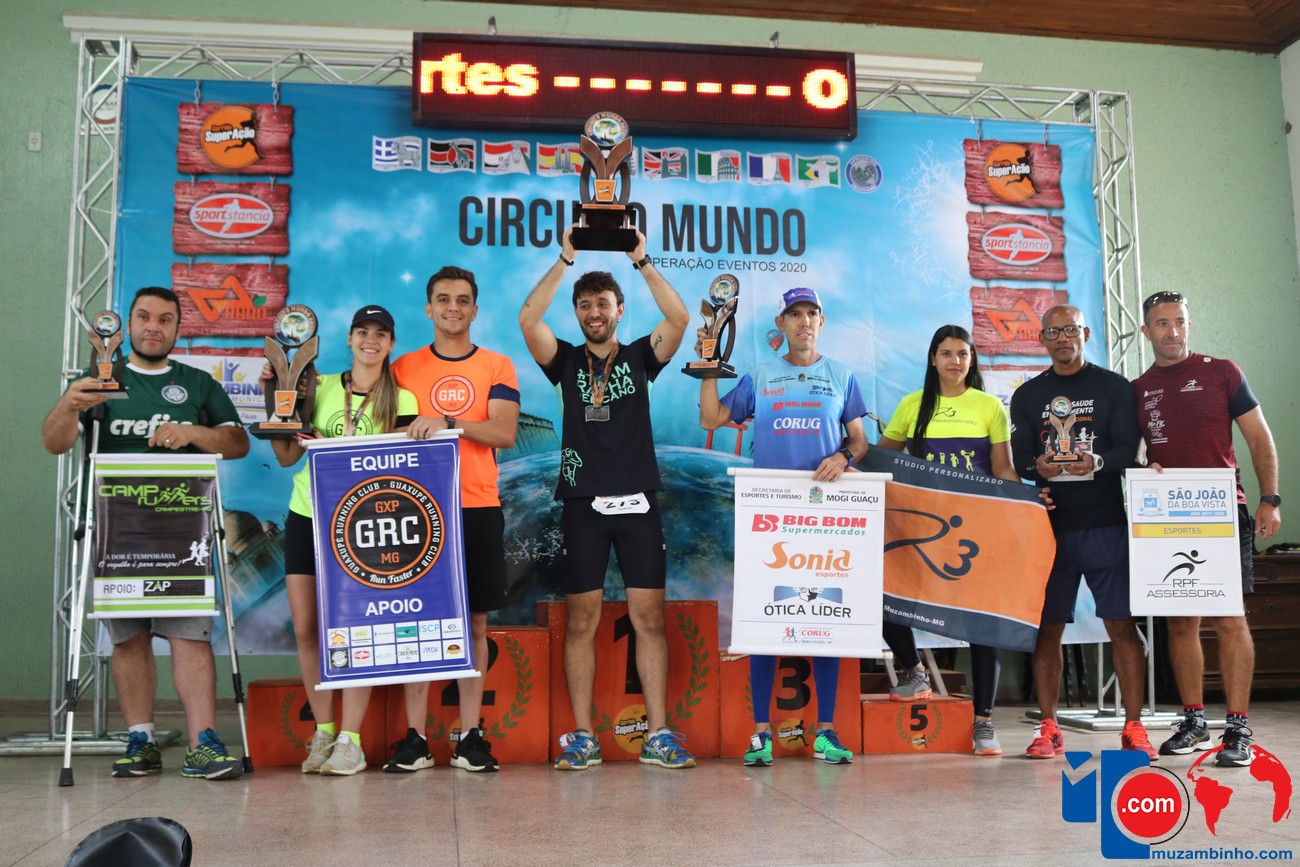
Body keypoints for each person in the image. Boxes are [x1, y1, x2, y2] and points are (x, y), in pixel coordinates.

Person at [42, 286, 250, 780]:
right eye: (143, 317)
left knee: (189, 636)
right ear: (128, 325)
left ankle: (203, 744)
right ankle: (142, 740)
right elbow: (54, 443)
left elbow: (237, 441)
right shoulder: (99, 379)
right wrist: (69, 404)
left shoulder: (196, 383)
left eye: (165, 319)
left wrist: (193, 432)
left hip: (183, 527)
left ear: (178, 328)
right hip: (117, 529)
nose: (153, 326)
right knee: (129, 638)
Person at [518, 228, 696, 770]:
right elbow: (528, 319)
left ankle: (658, 734)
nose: (594, 312)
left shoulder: (642, 357)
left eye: (603, 303)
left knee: (649, 620)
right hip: (583, 504)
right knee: (581, 623)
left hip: (639, 501)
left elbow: (679, 318)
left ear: (620, 310)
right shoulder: (565, 361)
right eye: (585, 304)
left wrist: (641, 259)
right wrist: (565, 258)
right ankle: (583, 736)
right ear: (576, 312)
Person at [699, 287, 869, 767]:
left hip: (825, 517)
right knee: (765, 620)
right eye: (795, 314)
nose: (804, 321)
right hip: (768, 517)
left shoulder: (841, 376)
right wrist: (708, 368)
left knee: (826, 618)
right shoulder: (762, 375)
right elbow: (712, 417)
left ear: (822, 322)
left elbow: (860, 441)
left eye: (812, 313)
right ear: (782, 323)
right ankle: (760, 735)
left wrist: (843, 456)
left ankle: (826, 732)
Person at [266, 305, 418, 776]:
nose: (371, 340)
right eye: (362, 332)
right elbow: (286, 455)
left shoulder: (403, 397)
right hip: (307, 513)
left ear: (391, 344)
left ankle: (352, 741)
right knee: (306, 628)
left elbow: (403, 466)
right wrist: (276, 401)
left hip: (363, 524)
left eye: (380, 333)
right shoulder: (318, 385)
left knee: (357, 633)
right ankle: (325, 732)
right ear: (349, 339)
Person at [1134, 290, 1282, 767]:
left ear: (1189, 325)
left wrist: (1270, 498)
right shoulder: (1138, 389)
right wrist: (1142, 465)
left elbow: (1258, 436)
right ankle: (1194, 721)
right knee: (1181, 622)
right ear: (1146, 331)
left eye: (1179, 321)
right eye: (1162, 323)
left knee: (1229, 618)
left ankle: (1237, 728)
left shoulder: (1223, 372)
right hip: (1167, 518)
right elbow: (1132, 452)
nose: (1172, 331)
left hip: (1223, 513)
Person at [390, 266, 520, 773]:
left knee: (476, 622)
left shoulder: (497, 365)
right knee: (415, 624)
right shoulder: (402, 368)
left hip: (477, 505)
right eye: (443, 299)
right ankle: (415, 739)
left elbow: (504, 432)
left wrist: (447, 423)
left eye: (463, 300)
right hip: (417, 510)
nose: (453, 307)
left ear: (475, 309)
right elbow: (383, 430)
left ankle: (470, 736)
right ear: (428, 308)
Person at [1009, 305, 1152, 760]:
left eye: (1070, 329)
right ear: (1042, 339)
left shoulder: (1113, 386)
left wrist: (1099, 461)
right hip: (1050, 529)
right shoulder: (1028, 394)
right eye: (1053, 332)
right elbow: (1020, 458)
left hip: (1105, 524)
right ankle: (1048, 727)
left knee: (1121, 626)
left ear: (1085, 333)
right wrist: (1037, 467)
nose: (1062, 338)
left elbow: (1130, 449)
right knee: (1047, 629)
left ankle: (1134, 727)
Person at [876, 324, 1020, 756]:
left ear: (971, 360)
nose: (955, 361)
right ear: (933, 359)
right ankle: (915, 670)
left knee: (983, 623)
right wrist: (844, 461)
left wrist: (1026, 506)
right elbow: (881, 458)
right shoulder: (912, 405)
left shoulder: (989, 406)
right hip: (923, 530)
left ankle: (984, 724)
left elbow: (1003, 469)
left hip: (977, 529)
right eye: (946, 353)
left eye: (962, 353)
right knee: (882, 597)